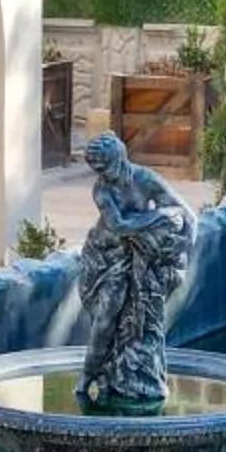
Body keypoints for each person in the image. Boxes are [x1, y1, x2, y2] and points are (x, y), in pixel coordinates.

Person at [75, 132, 195, 409]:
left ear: (119, 159)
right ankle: (87, 375)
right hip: (105, 258)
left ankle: (129, 374)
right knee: (106, 317)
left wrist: (183, 247)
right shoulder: (102, 189)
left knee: (142, 317)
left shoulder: (145, 179)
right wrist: (160, 216)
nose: (103, 175)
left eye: (106, 168)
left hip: (140, 255)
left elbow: (189, 216)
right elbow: (119, 226)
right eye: (98, 170)